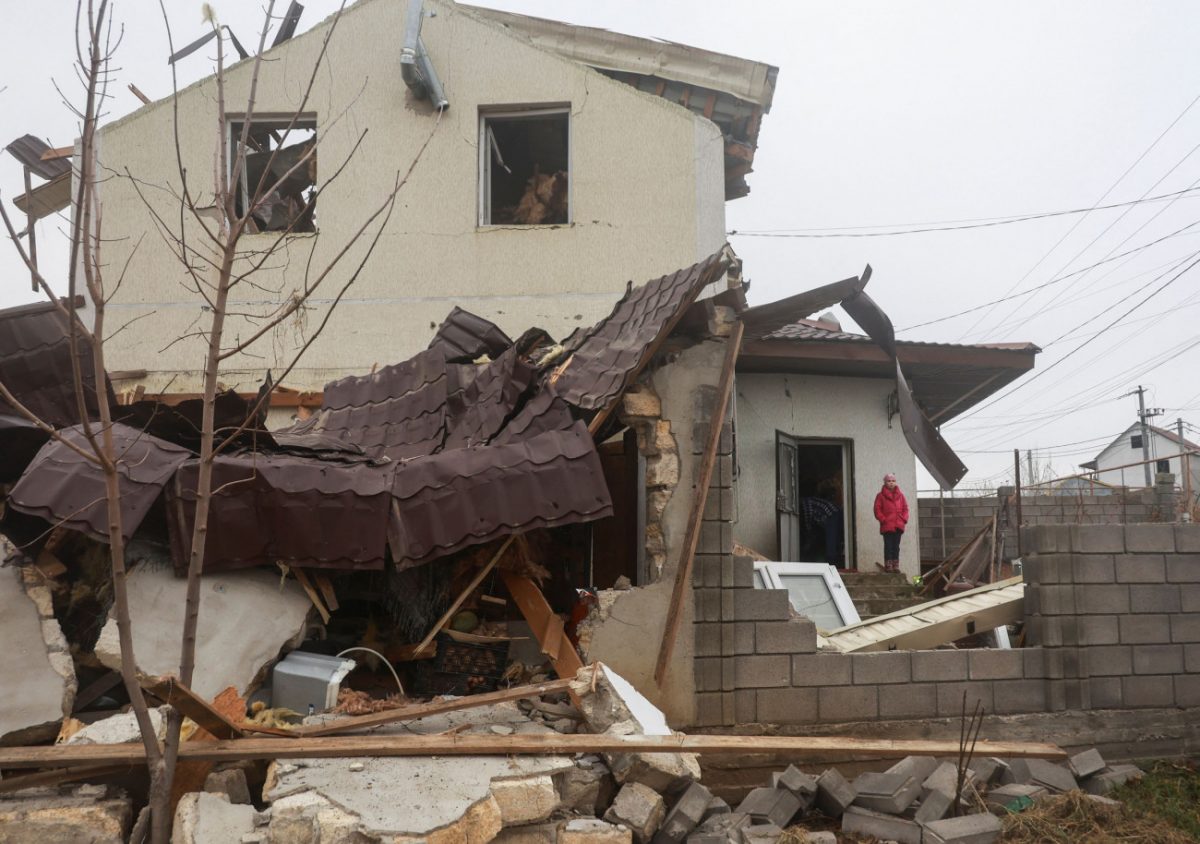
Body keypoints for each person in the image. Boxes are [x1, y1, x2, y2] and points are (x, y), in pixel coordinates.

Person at [873, 473, 909, 573]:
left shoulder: (901, 496)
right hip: (887, 525)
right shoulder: (880, 496)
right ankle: (888, 565)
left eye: (893, 481)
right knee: (888, 545)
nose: (891, 483)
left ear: (895, 482)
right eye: (889, 481)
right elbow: (877, 509)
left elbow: (905, 508)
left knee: (896, 546)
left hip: (898, 525)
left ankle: (895, 565)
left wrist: (904, 519)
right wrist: (883, 519)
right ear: (885, 482)